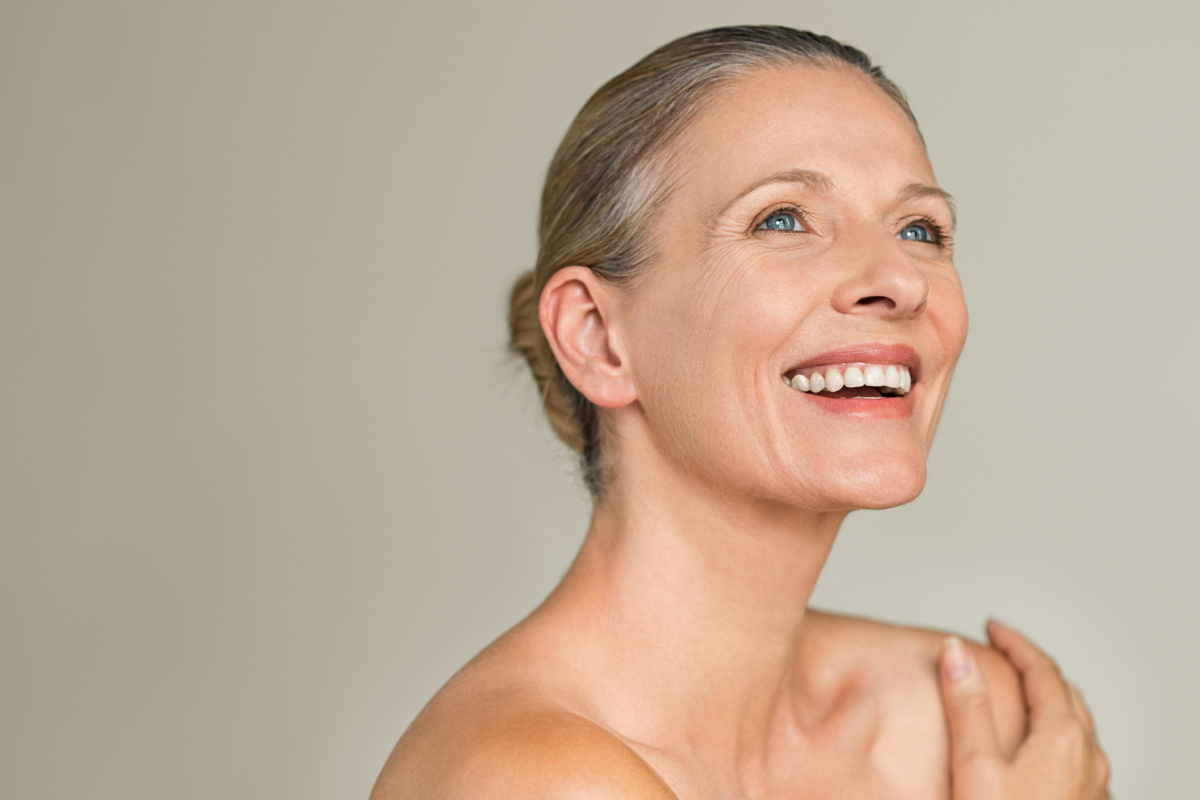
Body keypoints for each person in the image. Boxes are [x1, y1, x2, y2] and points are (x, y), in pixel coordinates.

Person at [372, 26, 1110, 799]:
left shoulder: (967, 724)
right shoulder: (529, 778)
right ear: (597, 338)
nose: (898, 278)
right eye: (782, 219)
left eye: (920, 229)